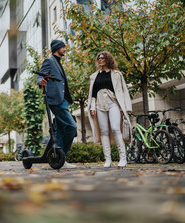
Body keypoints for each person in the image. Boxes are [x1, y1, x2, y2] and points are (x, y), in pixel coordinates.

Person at [36, 39, 77, 169]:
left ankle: (59, 160)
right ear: (57, 48)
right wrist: (40, 81)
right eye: (63, 47)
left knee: (60, 130)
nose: (65, 49)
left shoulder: (58, 63)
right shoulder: (49, 61)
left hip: (63, 100)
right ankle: (62, 157)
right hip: (56, 100)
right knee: (72, 126)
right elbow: (40, 74)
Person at [87, 51, 132, 167]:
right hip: (99, 105)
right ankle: (108, 160)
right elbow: (93, 94)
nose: (100, 60)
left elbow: (124, 91)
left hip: (114, 103)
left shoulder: (117, 74)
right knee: (104, 131)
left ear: (108, 59)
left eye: (102, 58)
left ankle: (123, 158)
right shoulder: (94, 76)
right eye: (98, 58)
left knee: (116, 128)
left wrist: (126, 108)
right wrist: (92, 107)